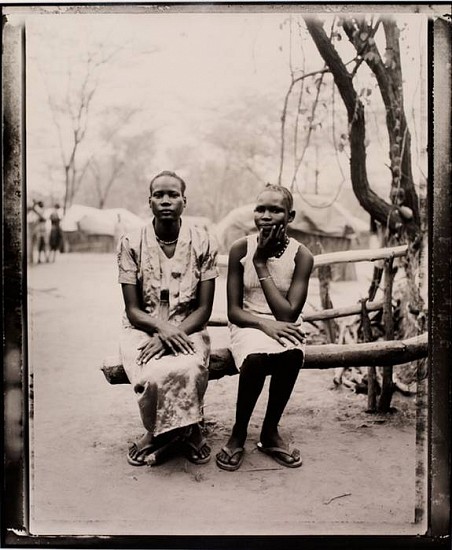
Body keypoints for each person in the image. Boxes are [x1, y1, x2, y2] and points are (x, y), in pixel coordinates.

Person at [117, 171, 218, 466]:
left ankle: (192, 428)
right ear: (149, 202)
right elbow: (133, 310)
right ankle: (154, 432)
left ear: (184, 202)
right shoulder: (131, 242)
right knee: (151, 372)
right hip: (142, 327)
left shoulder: (204, 241)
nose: (165, 201)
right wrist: (162, 331)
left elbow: (204, 310)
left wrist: (174, 333)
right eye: (158, 195)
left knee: (190, 365)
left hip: (189, 325)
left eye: (173, 195)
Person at [216, 184, 313, 471]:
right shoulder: (240, 249)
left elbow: (288, 313)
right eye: (261, 209)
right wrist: (263, 325)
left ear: (290, 216)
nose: (266, 216)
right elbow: (234, 311)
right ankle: (239, 432)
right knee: (257, 358)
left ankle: (270, 431)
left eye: (275, 210)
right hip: (248, 324)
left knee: (292, 353)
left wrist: (261, 264)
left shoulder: (301, 256)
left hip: (286, 324)